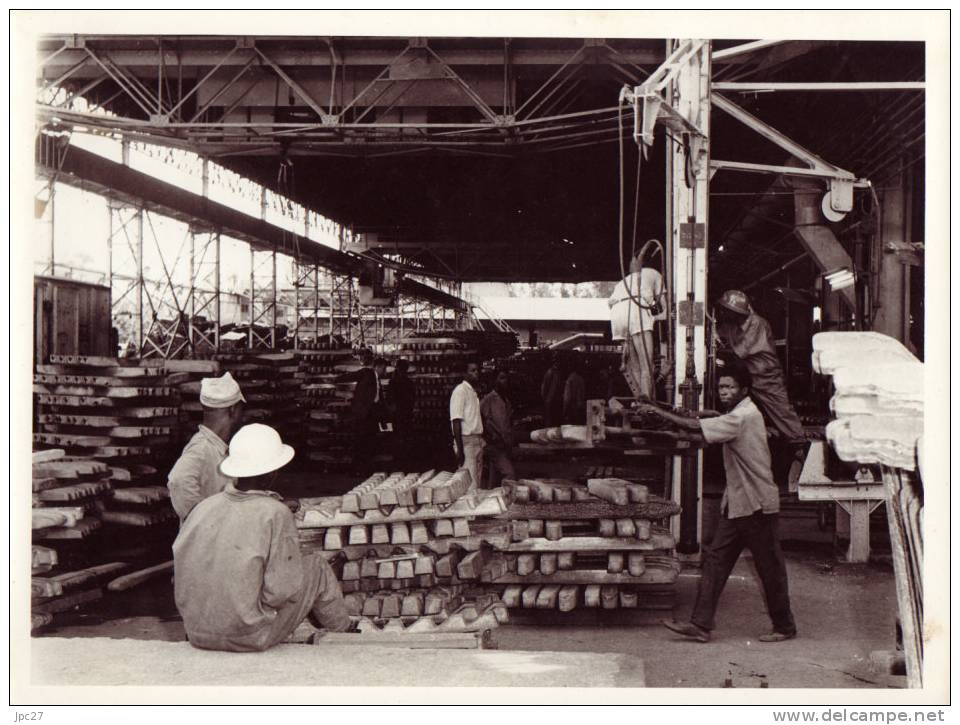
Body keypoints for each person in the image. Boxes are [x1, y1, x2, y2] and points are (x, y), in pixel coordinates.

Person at [642, 364, 796, 643]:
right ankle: (700, 626)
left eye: (730, 388)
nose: (724, 392)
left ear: (744, 390)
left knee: (769, 568)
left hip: (757, 504)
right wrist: (675, 412)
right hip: (738, 503)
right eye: (722, 387)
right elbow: (707, 418)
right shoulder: (738, 413)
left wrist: (658, 413)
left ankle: (784, 627)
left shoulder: (743, 417)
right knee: (715, 561)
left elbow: (694, 427)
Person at [173, 423, 352, 652]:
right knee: (315, 566)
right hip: (248, 636)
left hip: (197, 634)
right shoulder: (275, 513)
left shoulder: (203, 507)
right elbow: (280, 591)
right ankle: (346, 632)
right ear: (271, 473)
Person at [714, 289, 804, 444]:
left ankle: (800, 444)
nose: (725, 315)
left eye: (728, 311)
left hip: (766, 376)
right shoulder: (734, 323)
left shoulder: (757, 323)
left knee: (782, 413)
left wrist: (719, 351)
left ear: (739, 312)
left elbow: (739, 352)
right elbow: (720, 333)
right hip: (748, 374)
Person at [167, 372, 246, 522]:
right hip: (206, 543)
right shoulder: (201, 448)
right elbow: (178, 481)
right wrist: (206, 523)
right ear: (233, 410)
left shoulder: (217, 447)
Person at [608, 251, 665, 400]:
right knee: (646, 364)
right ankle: (647, 404)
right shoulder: (654, 274)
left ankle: (639, 399)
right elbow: (665, 310)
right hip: (636, 311)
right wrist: (654, 318)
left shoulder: (623, 281)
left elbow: (610, 303)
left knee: (634, 365)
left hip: (617, 315)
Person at [450, 360, 484, 492]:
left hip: (477, 440)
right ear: (465, 374)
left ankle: (474, 512)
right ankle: (469, 513)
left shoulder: (473, 392)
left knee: (477, 483)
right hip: (466, 441)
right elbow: (456, 421)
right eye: (472, 371)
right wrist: (460, 449)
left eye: (477, 370)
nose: (476, 373)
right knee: (471, 485)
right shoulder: (460, 391)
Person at [480, 369, 516, 488]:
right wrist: (490, 436)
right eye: (501, 378)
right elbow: (480, 419)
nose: (505, 381)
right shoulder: (488, 399)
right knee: (509, 473)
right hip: (494, 445)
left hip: (505, 444)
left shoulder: (506, 401)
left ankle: (492, 499)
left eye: (506, 378)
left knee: (494, 477)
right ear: (495, 381)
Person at [349, 350, 384, 471]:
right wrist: (334, 378)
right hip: (364, 414)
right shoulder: (366, 373)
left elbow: (378, 396)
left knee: (369, 441)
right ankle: (357, 468)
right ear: (377, 366)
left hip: (371, 414)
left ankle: (365, 467)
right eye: (383, 368)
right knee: (361, 441)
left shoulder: (376, 378)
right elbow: (351, 376)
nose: (384, 371)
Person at [388, 358, 416, 469]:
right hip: (406, 413)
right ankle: (405, 460)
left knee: (396, 436)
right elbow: (412, 399)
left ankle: (398, 460)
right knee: (405, 436)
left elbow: (390, 399)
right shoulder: (409, 382)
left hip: (397, 414)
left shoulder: (393, 382)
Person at [562, 354, 587, 425]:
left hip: (572, 407)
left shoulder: (570, 379)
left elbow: (567, 397)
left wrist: (565, 410)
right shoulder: (581, 379)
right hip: (580, 406)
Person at [540, 355, 563, 427]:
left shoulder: (557, 372)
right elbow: (544, 386)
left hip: (554, 399)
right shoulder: (551, 372)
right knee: (550, 418)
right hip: (550, 399)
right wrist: (545, 398)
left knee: (553, 417)